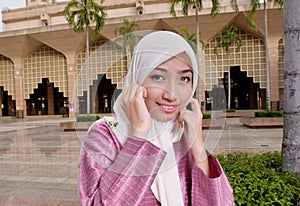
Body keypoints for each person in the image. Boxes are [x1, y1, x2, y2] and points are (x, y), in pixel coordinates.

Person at [79, 31, 234, 206]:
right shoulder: (105, 135)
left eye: (184, 78)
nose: (171, 94)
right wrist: (139, 134)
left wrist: (198, 147)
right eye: (158, 77)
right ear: (137, 80)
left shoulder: (182, 135)